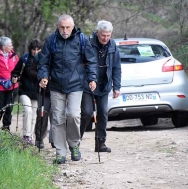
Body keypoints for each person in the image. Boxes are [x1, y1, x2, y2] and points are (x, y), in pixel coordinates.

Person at [38, 14, 97, 164]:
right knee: (57, 119)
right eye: (62, 27)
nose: (65, 30)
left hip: (76, 84)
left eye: (67, 27)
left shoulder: (81, 39)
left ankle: (74, 144)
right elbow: (43, 62)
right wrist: (43, 76)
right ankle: (60, 152)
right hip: (56, 85)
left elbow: (91, 61)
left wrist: (92, 78)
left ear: (73, 27)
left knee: (73, 115)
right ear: (58, 27)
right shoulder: (51, 40)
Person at [80, 20, 122, 152]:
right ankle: (75, 140)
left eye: (108, 35)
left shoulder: (113, 45)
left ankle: (100, 143)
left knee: (103, 112)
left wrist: (117, 87)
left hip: (104, 85)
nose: (106, 38)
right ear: (98, 33)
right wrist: (88, 79)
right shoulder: (88, 43)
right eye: (103, 35)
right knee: (86, 113)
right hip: (88, 84)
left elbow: (116, 67)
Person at [12, 38, 44, 144]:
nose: (35, 51)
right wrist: (14, 77)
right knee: (28, 111)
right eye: (33, 49)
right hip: (24, 90)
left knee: (34, 115)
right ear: (30, 49)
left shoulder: (43, 60)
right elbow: (15, 72)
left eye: (38, 49)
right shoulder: (24, 59)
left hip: (36, 91)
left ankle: (30, 136)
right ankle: (26, 135)